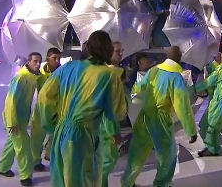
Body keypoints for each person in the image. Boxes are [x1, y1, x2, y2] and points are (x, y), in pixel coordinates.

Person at [37, 31, 127, 187]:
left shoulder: (67, 67)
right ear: (108, 50)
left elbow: (44, 97)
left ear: (89, 48)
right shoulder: (109, 75)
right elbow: (117, 113)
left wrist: (51, 125)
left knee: (61, 180)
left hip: (60, 133)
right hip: (82, 137)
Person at [121, 46, 198, 187]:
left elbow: (139, 86)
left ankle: (127, 181)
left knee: (137, 152)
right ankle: (162, 184)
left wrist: (133, 95)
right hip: (161, 122)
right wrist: (191, 130)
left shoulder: (153, 70)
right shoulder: (176, 78)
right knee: (167, 156)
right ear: (179, 59)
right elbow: (183, 107)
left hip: (144, 118)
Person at [0, 52, 42, 187]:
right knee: (23, 146)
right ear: (28, 62)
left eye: (39, 61)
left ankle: (2, 167)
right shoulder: (21, 78)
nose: (37, 64)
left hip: (20, 118)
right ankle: (25, 176)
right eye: (35, 61)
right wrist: (12, 123)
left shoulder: (32, 77)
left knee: (12, 144)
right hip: (14, 119)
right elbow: (10, 102)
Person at [194, 48, 222, 157]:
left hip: (220, 101)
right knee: (215, 125)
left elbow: (209, 81)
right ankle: (213, 147)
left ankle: (212, 149)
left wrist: (196, 88)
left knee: (212, 126)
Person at [99, 42, 129, 187]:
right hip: (105, 126)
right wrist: (113, 131)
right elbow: (106, 105)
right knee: (107, 160)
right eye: (117, 51)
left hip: (109, 124)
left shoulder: (114, 73)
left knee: (106, 160)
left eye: (121, 51)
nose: (121, 54)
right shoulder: (110, 75)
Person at [30, 48, 62, 172]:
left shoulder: (62, 71)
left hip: (55, 108)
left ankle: (50, 155)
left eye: (58, 58)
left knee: (56, 134)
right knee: (36, 138)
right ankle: (35, 161)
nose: (57, 61)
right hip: (40, 110)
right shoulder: (39, 73)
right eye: (54, 58)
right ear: (48, 59)